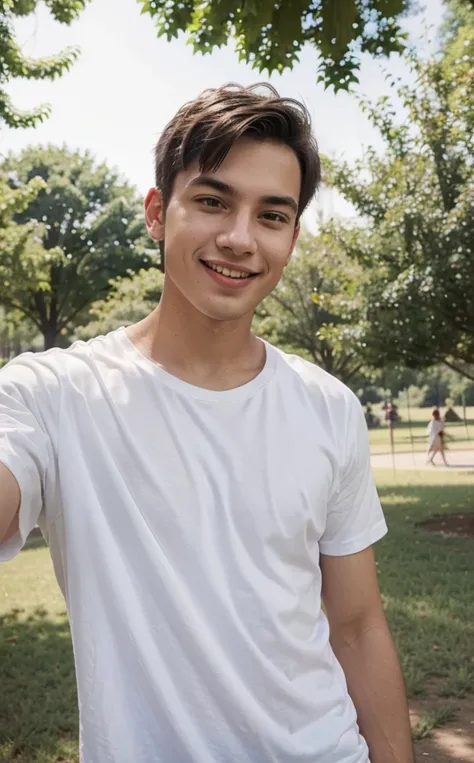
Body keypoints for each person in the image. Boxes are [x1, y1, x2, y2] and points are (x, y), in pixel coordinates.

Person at [0, 84, 414, 763]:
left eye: (272, 215)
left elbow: (358, 626)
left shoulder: (329, 406)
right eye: (214, 201)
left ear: (292, 236)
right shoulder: (53, 395)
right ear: (159, 212)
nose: (240, 238)